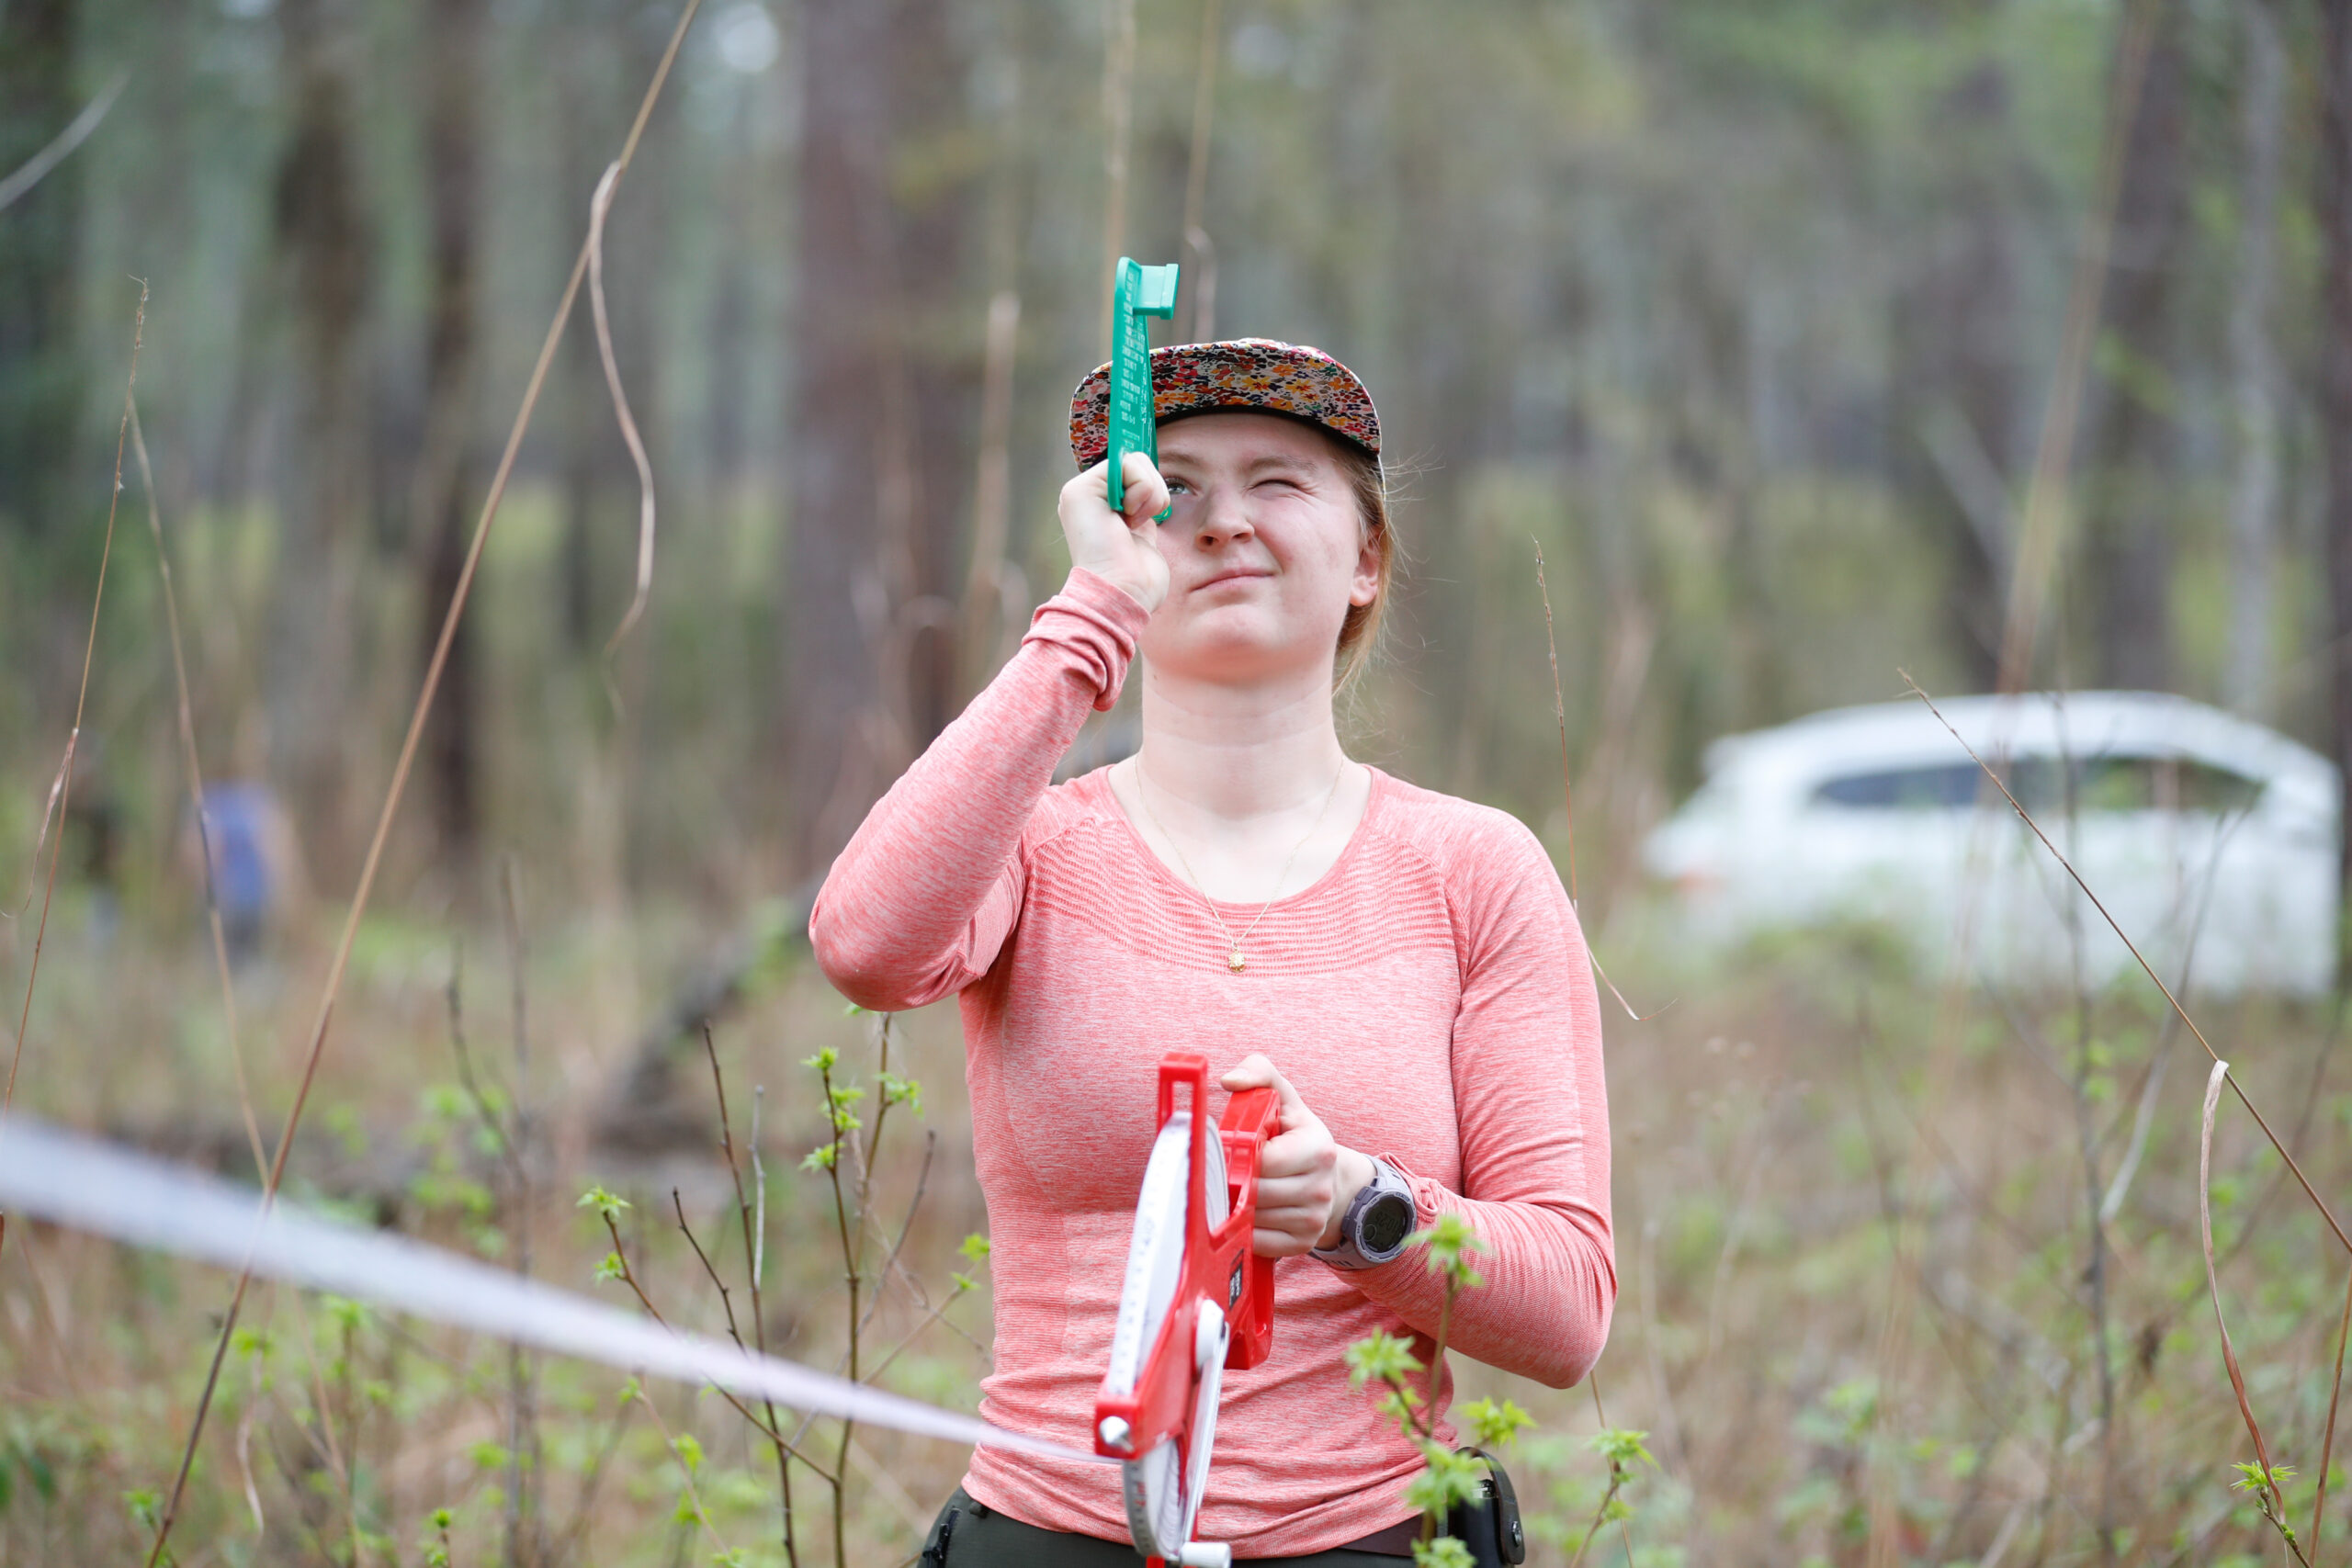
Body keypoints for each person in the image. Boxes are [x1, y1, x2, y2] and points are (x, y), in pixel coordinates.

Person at [811, 338, 1613, 1563]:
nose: (1225, 521)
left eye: (1280, 482)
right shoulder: (1035, 849)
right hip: (1051, 1536)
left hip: (1379, 1540)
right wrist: (1087, 625)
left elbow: (1568, 1312)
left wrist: (1360, 1208)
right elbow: (865, 947)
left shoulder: (1474, 871)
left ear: (1367, 558)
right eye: (1174, 488)